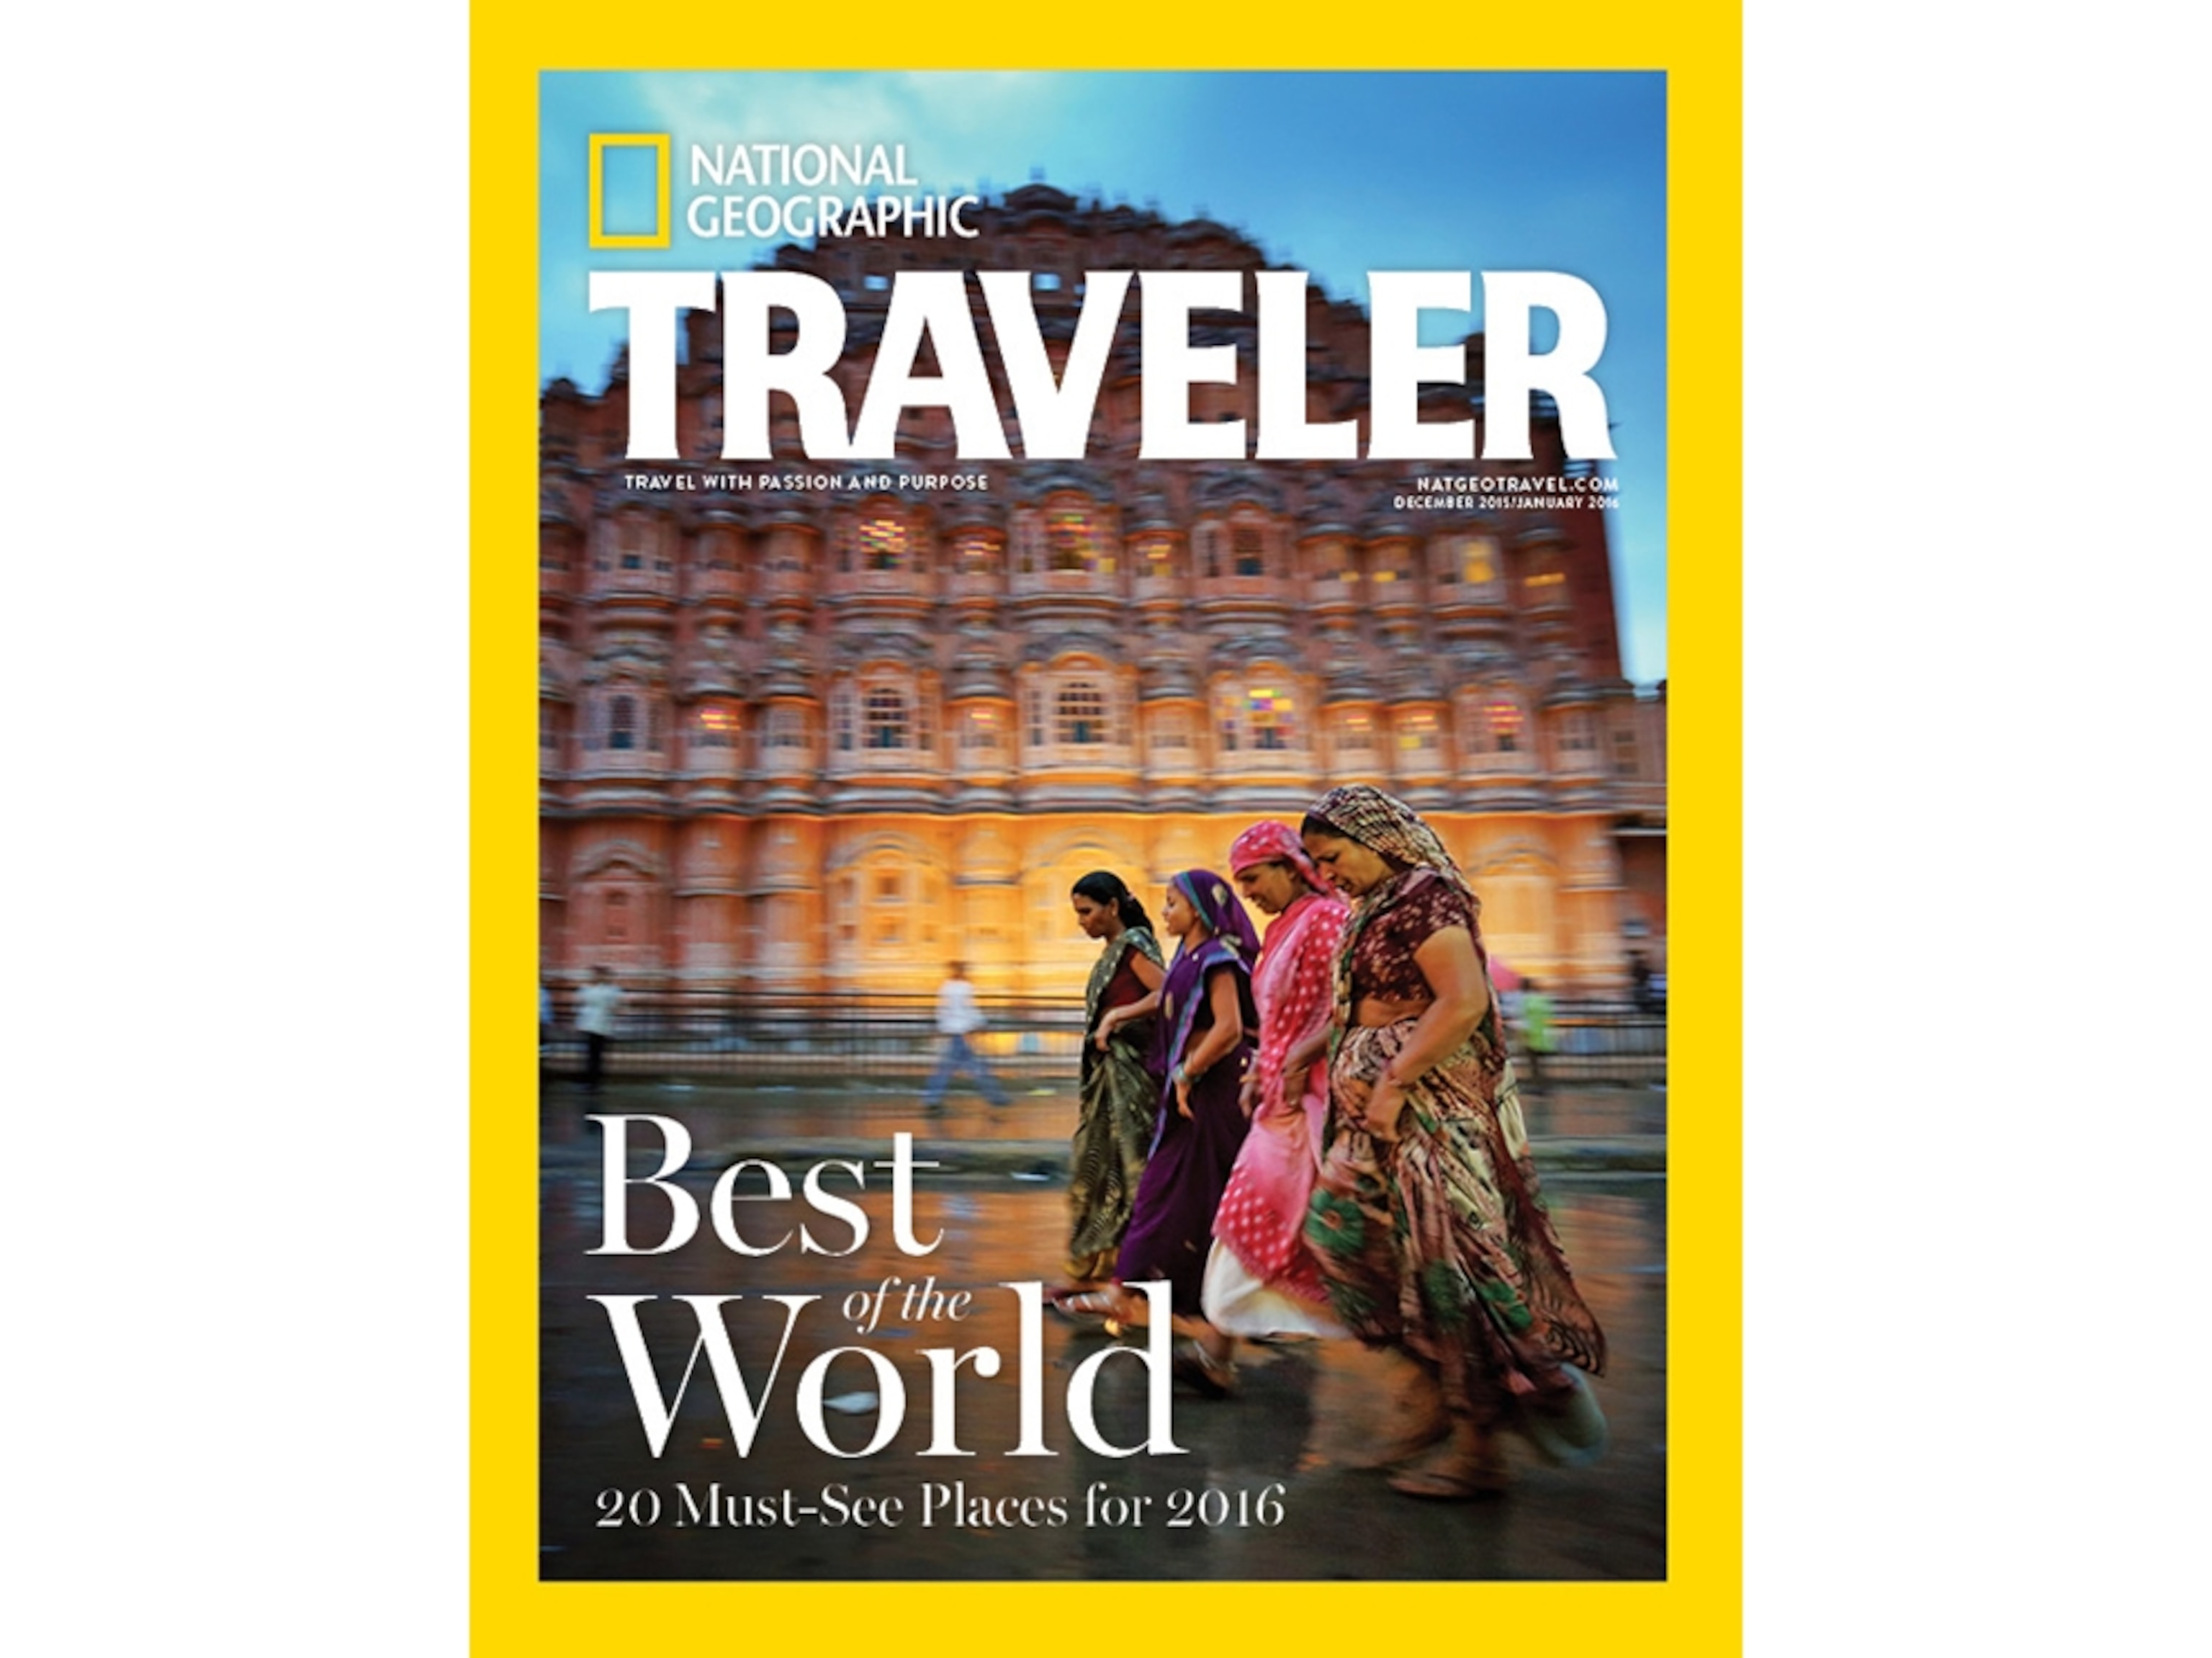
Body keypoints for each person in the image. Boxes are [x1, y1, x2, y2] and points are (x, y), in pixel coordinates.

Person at [1299, 785, 1606, 1497]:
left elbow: (1463, 999)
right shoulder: (1372, 908)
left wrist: (1397, 1079)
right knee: (1337, 1238)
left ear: (1375, 836)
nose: (1328, 873)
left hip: (1431, 1115)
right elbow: (1363, 1006)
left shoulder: (1428, 898)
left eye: (1333, 856)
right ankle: (1435, 1388)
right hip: (1376, 1120)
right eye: (1317, 862)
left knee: (1447, 1272)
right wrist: (1306, 1054)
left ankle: (1476, 1443)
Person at [1051, 871, 1258, 1383]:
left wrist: (1182, 1068)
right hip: (1181, 1091)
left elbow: (1229, 1026)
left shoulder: (1213, 959)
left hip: (1207, 1091)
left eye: (1173, 903)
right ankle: (1132, 1291)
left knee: (1188, 1193)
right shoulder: (1191, 958)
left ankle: (1185, 1309)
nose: (1163, 911)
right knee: (1162, 1191)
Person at [1179, 822, 1352, 1392]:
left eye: (1253, 878)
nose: (1247, 892)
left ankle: (1220, 1349)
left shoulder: (1327, 921)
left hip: (1315, 1102)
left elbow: (1351, 1007)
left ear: (1288, 865)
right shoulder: (1282, 929)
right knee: (1246, 1219)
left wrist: (1297, 1061)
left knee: (1285, 1225)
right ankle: (1218, 1350)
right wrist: (1262, 1070)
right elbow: (1275, 1023)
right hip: (1279, 1100)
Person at [1063, 872, 1168, 1286]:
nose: (1082, 921)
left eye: (1087, 912)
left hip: (1132, 1075)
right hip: (1110, 1075)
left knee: (1125, 1166)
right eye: (1078, 914)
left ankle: (1125, 1261)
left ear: (1112, 908)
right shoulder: (1113, 951)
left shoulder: (1134, 946)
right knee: (1097, 1161)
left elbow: (1166, 994)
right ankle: (1102, 1256)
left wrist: (1116, 1017)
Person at [922, 959, 1010, 1112]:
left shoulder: (946, 987)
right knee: (974, 1068)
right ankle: (995, 1097)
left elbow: (942, 1010)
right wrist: (981, 1022)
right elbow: (969, 1008)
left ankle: (932, 1098)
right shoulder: (965, 987)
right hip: (962, 1031)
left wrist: (942, 1026)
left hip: (955, 1031)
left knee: (951, 1068)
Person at [574, 965, 622, 1093]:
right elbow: (615, 1006)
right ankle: (592, 1082)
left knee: (594, 1055)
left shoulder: (589, 989)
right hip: (596, 1024)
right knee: (594, 1055)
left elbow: (581, 1003)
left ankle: (592, 1082)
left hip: (595, 1024)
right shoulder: (610, 990)